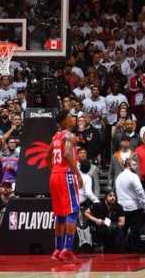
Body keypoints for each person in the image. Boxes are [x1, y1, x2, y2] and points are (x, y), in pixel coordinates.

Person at [48, 111, 83, 263]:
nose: (73, 118)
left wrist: (55, 169)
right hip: (65, 175)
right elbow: (68, 154)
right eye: (70, 116)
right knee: (72, 212)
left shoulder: (55, 136)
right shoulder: (69, 135)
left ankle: (57, 249)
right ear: (64, 121)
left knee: (60, 214)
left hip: (54, 175)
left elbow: (47, 156)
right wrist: (78, 174)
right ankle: (67, 250)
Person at [115, 158, 145, 253]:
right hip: (134, 206)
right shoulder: (133, 176)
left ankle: (121, 248)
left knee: (123, 229)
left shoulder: (118, 177)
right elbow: (140, 192)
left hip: (121, 206)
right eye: (134, 164)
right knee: (135, 229)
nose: (136, 167)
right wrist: (144, 204)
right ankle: (135, 248)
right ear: (128, 165)